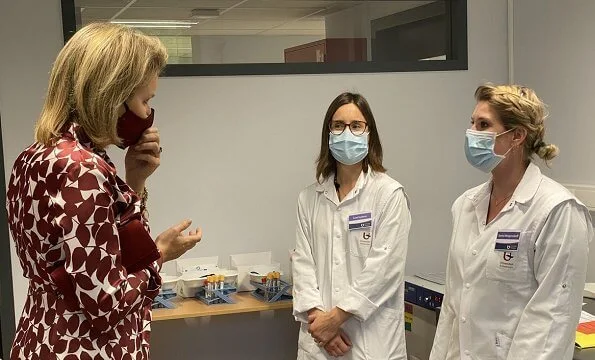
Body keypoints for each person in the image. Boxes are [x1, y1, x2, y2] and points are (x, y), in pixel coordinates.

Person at [6, 23, 202, 360]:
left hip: (41, 335)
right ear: (112, 95)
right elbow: (106, 302)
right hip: (83, 348)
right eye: (144, 100)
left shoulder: (36, 155)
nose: (147, 114)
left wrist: (134, 181)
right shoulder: (83, 168)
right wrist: (161, 254)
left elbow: (93, 257)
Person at [429, 84, 593, 360]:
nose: (472, 134)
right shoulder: (466, 205)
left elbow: (551, 321)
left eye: (483, 125)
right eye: (472, 123)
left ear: (517, 136)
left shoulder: (556, 211)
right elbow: (453, 309)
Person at [292, 92, 411, 359]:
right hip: (320, 342)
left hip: (371, 342)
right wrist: (320, 322)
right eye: (338, 125)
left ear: (370, 134)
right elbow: (303, 265)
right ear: (328, 134)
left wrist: (336, 318)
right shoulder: (309, 198)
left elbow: (384, 269)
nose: (347, 133)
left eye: (356, 126)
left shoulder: (389, 195)